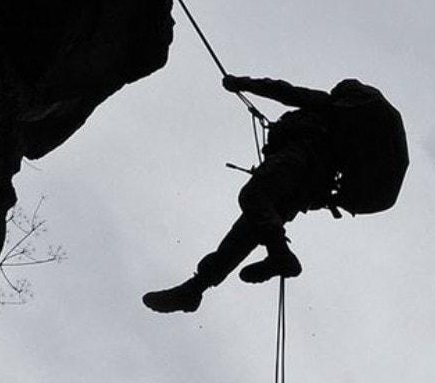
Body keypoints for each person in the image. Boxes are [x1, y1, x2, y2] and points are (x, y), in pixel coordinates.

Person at [142, 74, 408, 313]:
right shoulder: (349, 136)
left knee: (253, 197)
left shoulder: (328, 107)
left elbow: (285, 91)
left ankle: (279, 255)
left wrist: (243, 83)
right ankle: (195, 289)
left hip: (299, 160)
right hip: (310, 188)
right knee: (248, 231)